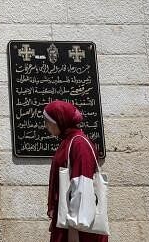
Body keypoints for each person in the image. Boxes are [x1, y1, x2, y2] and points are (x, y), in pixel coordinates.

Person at [44, 100, 107, 242]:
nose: (46, 126)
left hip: (78, 230)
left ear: (59, 120)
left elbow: (82, 187)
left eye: (48, 121)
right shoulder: (68, 141)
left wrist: (74, 230)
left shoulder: (79, 144)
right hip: (68, 223)